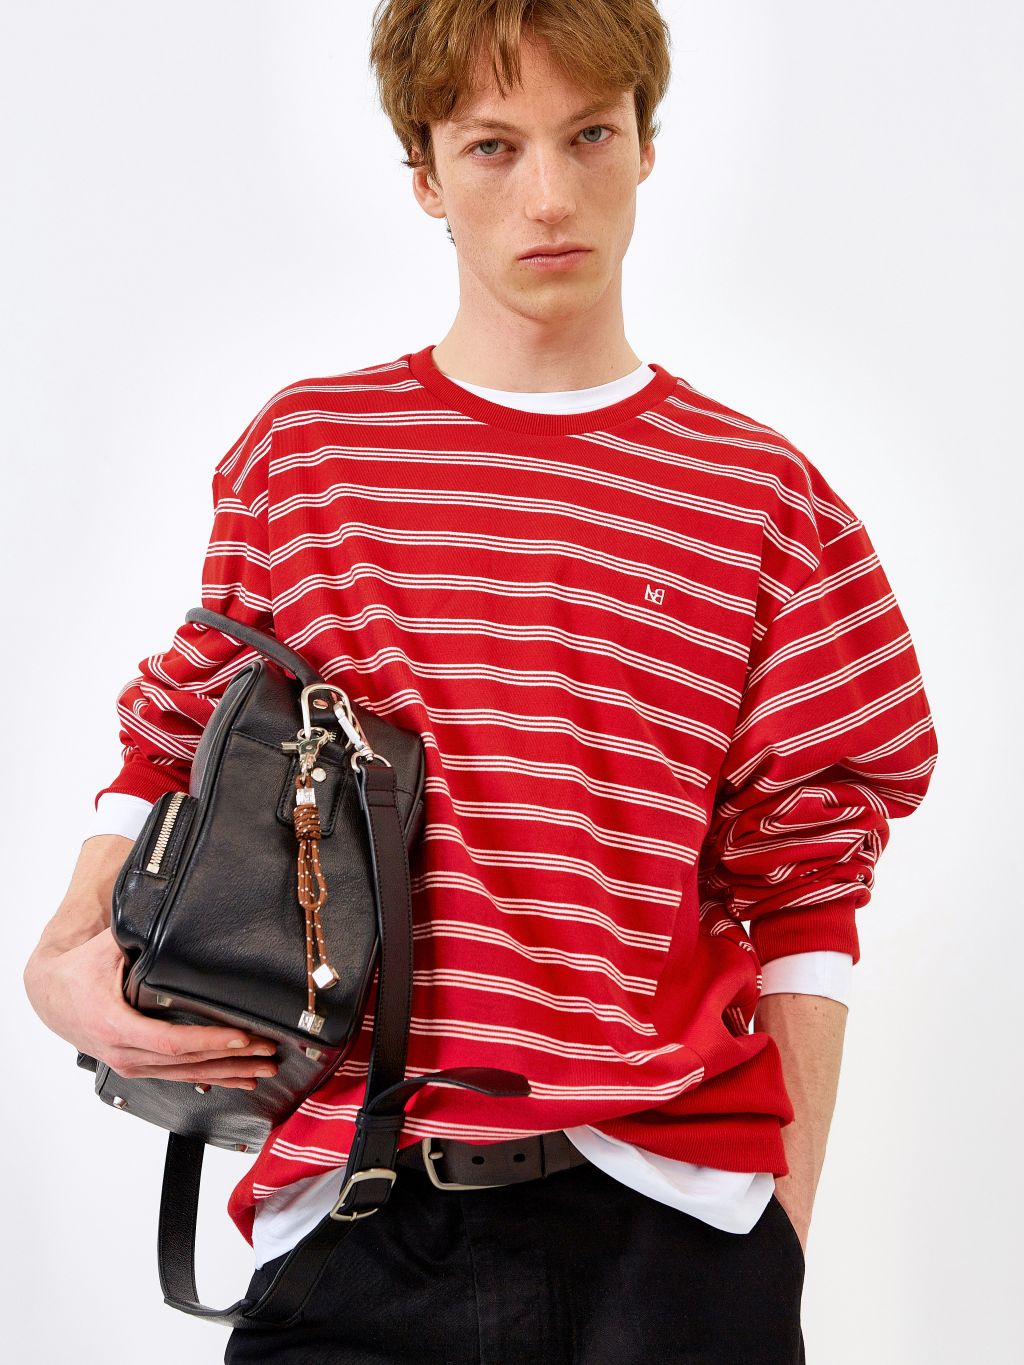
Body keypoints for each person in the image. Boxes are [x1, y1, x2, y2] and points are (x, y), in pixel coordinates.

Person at [23, 3, 939, 1361]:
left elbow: (805, 887)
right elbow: (177, 742)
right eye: (494, 146)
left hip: (669, 1231)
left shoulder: (764, 503)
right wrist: (60, 960)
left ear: (646, 146)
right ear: (425, 173)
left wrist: (779, 1243)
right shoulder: (310, 459)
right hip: (355, 1221)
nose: (550, 196)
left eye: (590, 136)